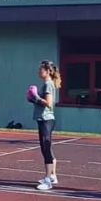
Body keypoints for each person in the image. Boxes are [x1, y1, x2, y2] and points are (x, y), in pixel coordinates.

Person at [29, 60, 61, 191]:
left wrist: (35, 97)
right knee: (46, 147)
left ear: (47, 71)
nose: (39, 72)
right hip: (44, 119)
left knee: (46, 148)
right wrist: (33, 100)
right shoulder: (47, 84)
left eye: (41, 70)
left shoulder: (48, 84)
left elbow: (49, 103)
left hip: (46, 119)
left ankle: (48, 180)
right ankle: (53, 175)